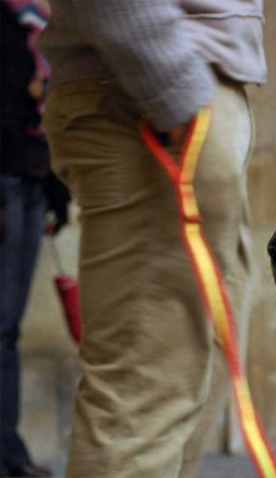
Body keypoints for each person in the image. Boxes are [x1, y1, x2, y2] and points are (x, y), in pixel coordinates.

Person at [38, 2, 266, 477]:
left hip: (180, 90)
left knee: (185, 386)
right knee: (145, 398)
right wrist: (171, 81)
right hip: (150, 96)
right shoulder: (168, 87)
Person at [0, 1, 70, 476]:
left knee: (6, 329)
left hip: (29, 182)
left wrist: (56, 193)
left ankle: (8, 452)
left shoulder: (45, 20)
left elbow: (50, 114)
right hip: (3, 186)